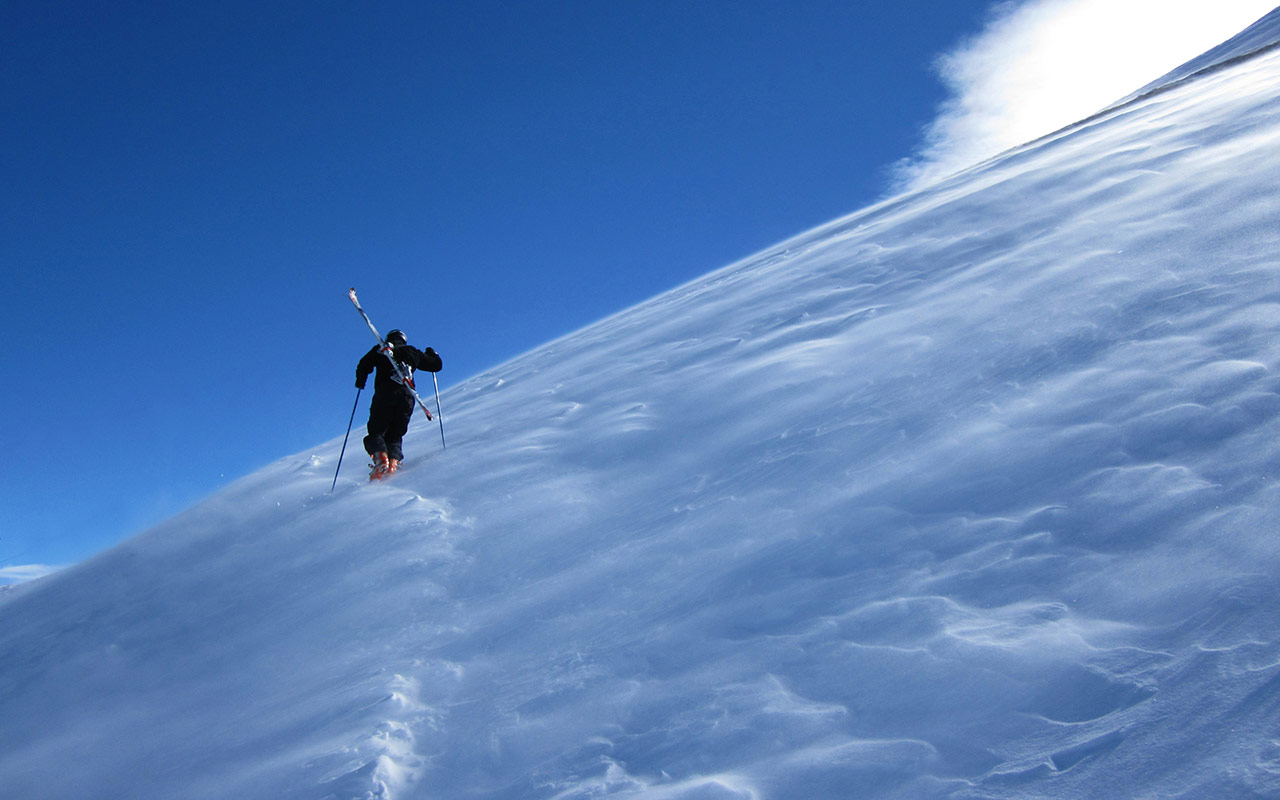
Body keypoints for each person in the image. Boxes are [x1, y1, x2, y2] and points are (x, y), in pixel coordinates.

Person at [355, 329, 442, 479]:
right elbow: (435, 365)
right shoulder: (412, 351)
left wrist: (360, 381)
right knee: (395, 435)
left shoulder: (381, 349)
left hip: (385, 395)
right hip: (407, 398)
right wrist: (433, 354)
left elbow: (363, 364)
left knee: (376, 432)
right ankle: (393, 463)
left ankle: (380, 458)